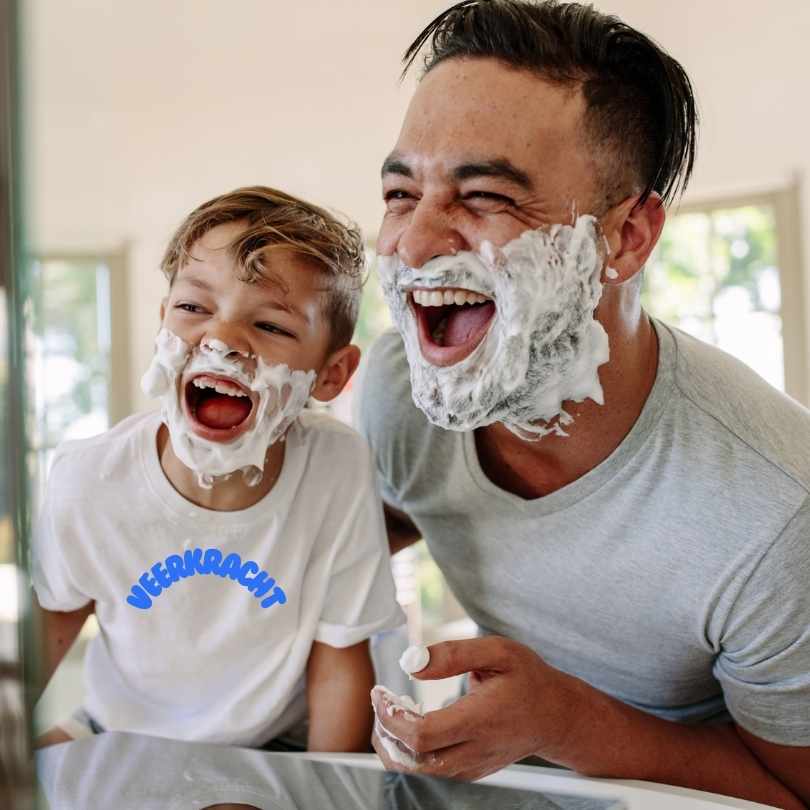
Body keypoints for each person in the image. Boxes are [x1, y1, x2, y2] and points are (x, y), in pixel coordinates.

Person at [356, 1, 810, 807]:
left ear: (626, 238)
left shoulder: (776, 512)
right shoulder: (402, 394)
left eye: (485, 195)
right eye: (400, 192)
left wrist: (565, 723)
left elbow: (797, 789)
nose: (412, 244)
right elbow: (338, 541)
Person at [32, 185, 405, 751]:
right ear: (163, 325)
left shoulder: (336, 467)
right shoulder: (88, 479)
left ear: (331, 375)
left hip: (273, 743)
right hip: (118, 730)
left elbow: (339, 663)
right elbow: (42, 641)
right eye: (193, 308)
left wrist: (329, 789)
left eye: (273, 326)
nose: (223, 340)